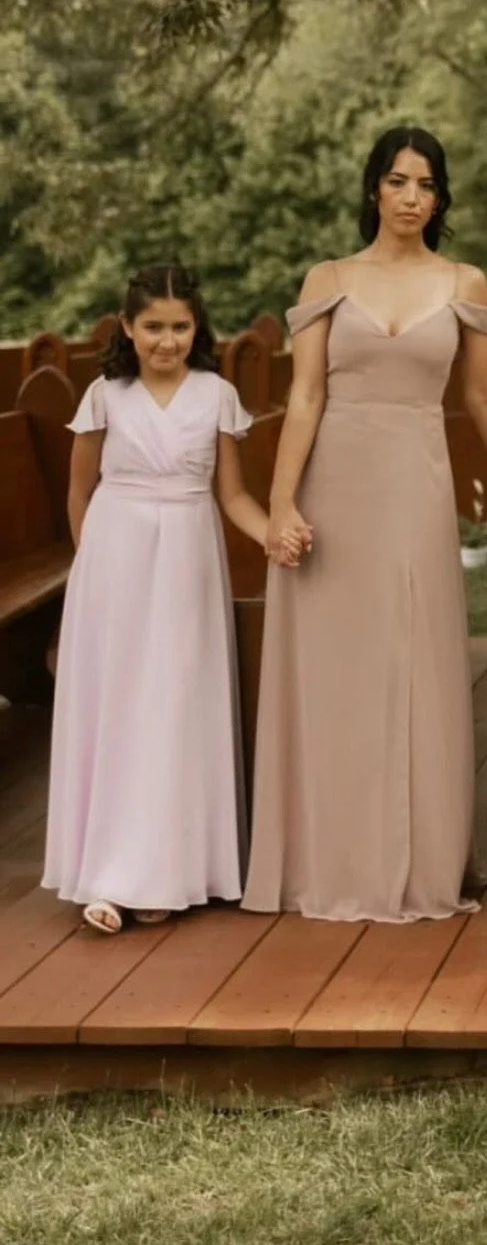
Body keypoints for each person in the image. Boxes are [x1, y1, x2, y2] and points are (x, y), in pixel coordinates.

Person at [243, 126, 487, 923]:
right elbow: (305, 395)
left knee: (413, 658)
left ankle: (420, 860)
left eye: (426, 184)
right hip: (334, 482)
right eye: (398, 180)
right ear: (374, 187)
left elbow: (484, 396)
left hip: (415, 481)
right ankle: (327, 859)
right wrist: (282, 504)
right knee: (336, 666)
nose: (411, 196)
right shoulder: (329, 278)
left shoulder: (465, 281)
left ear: (440, 197)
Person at [43, 264, 268, 934]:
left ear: (197, 329)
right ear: (128, 327)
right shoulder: (105, 396)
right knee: (119, 708)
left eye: (180, 326)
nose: (167, 340)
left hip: (188, 561)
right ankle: (109, 875)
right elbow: (80, 492)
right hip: (115, 560)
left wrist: (274, 534)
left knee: (173, 705)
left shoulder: (217, 395)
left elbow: (233, 495)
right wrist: (93, 568)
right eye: (153, 327)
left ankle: (167, 873)